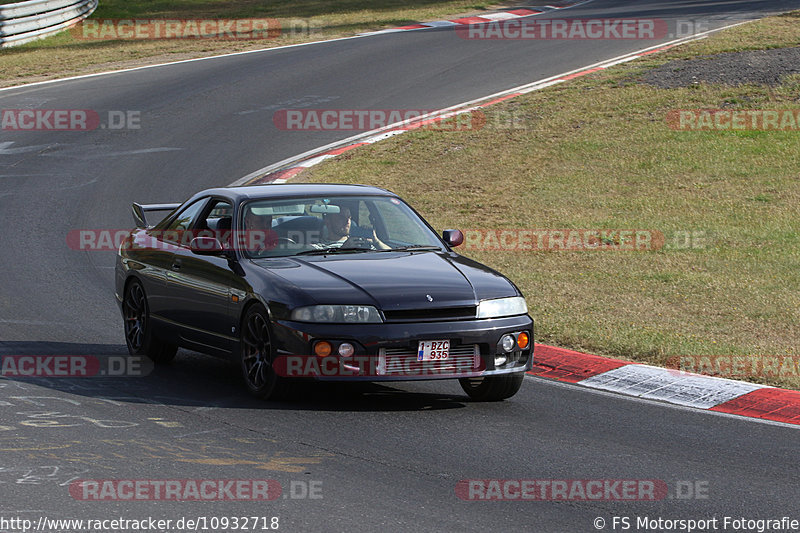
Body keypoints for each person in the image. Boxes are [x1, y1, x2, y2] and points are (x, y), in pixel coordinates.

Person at [315, 204, 390, 250]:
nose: (347, 221)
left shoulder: (361, 242)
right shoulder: (319, 248)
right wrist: (343, 250)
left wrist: (376, 242)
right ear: (328, 222)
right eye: (341, 218)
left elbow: (392, 255)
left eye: (349, 217)